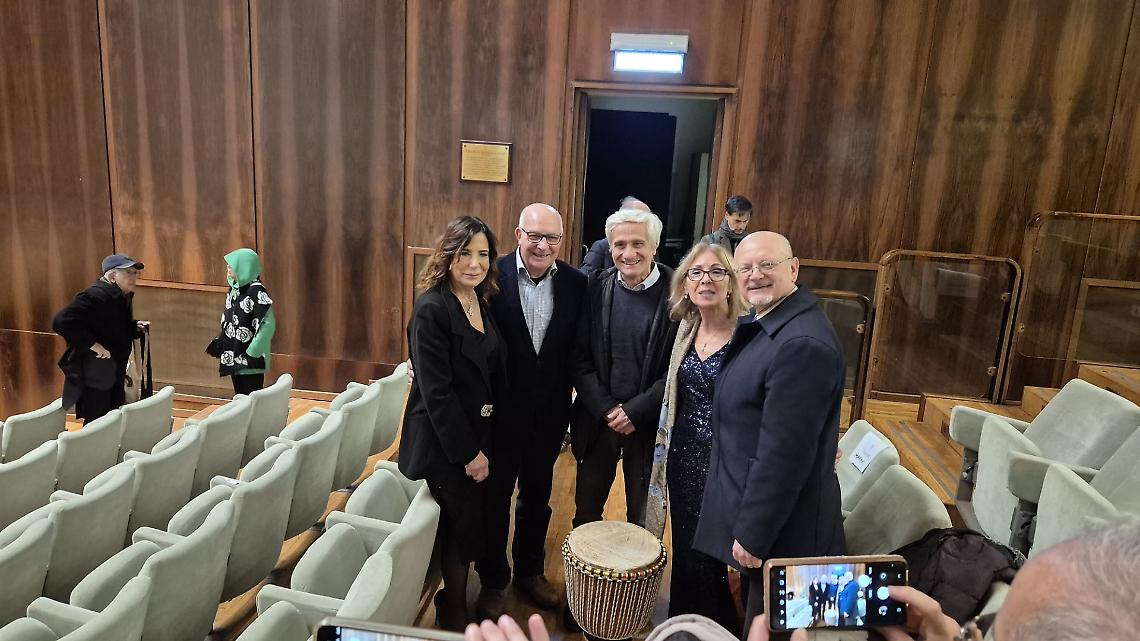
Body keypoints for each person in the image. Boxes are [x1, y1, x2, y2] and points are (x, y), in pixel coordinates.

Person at [693, 231, 847, 633]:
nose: (755, 275)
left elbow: (785, 457)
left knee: (783, 634)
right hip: (777, 531)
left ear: (793, 268)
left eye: (767, 265)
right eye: (745, 268)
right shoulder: (770, 322)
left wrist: (753, 534)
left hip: (790, 541)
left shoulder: (802, 343)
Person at [473, 204, 587, 620]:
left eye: (552, 238)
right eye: (534, 236)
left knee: (538, 499)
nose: (543, 245)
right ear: (519, 234)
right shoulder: (489, 276)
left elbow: (579, 349)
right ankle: (492, 578)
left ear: (562, 240)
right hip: (499, 415)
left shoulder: (577, 283)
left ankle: (529, 572)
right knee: (495, 499)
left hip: (550, 414)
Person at [398, 216, 508, 631]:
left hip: (477, 431)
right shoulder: (431, 308)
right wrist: (469, 454)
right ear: (448, 255)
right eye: (465, 253)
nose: (475, 263)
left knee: (464, 524)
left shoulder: (480, 299)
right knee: (459, 526)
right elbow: (436, 393)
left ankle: (453, 599)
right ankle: (454, 613)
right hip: (447, 441)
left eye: (483, 254)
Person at [643, 241, 746, 633]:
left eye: (717, 272)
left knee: (712, 558)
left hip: (725, 462)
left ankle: (715, 630)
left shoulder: (747, 334)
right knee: (686, 549)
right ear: (685, 284)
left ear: (731, 283)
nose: (706, 280)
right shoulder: (687, 328)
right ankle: (684, 626)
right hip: (682, 454)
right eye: (696, 273)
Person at [571, 208, 678, 529]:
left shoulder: (681, 293)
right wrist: (607, 409)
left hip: (648, 426)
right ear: (609, 247)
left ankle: (638, 582)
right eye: (619, 245)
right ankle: (584, 582)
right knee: (586, 514)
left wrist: (635, 411)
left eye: (638, 244)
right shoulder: (593, 288)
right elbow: (577, 358)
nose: (628, 253)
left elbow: (679, 366)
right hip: (597, 421)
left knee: (643, 520)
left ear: (655, 246)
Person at [53, 254, 150, 423]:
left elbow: (110, 325)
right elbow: (61, 321)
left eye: (135, 273)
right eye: (128, 272)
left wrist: (134, 326)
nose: (134, 277)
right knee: (97, 420)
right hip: (97, 372)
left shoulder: (122, 295)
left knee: (112, 416)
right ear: (112, 276)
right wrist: (94, 345)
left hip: (114, 369)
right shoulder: (94, 296)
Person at [206, 248, 276, 395]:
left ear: (244, 266)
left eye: (232, 264)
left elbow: (268, 325)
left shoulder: (256, 291)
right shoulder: (234, 289)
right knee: (239, 397)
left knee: (251, 397)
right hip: (234, 355)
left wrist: (253, 353)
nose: (228, 267)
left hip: (250, 358)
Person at [579, 196, 651, 276]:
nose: (629, 255)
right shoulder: (602, 246)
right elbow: (585, 277)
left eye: (638, 244)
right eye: (620, 245)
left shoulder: (650, 243)